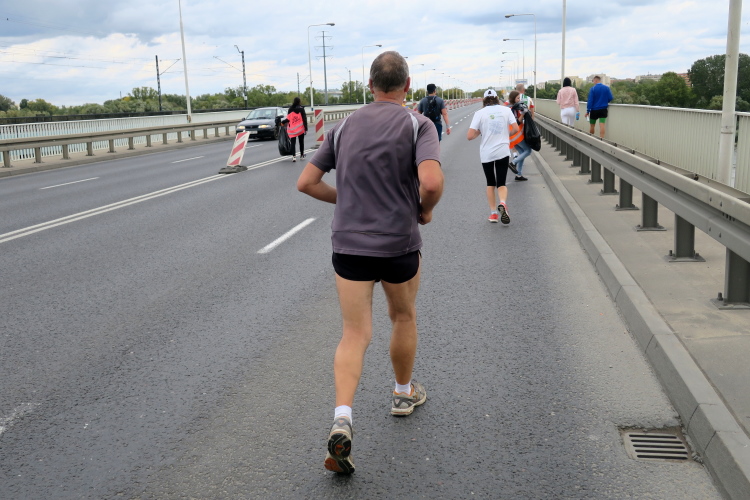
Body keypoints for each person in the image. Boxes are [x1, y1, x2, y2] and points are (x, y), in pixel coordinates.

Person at [296, 50, 444, 475]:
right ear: (408, 86)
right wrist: (424, 210)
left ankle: (342, 417)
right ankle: (402, 393)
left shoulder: (342, 128)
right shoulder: (418, 124)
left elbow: (306, 182)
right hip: (399, 244)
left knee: (354, 333)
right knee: (403, 317)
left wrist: (347, 200)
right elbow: (431, 180)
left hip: (349, 246)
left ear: (369, 85)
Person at [467, 89, 520, 224]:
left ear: (484, 100)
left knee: (490, 183)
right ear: (497, 98)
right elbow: (515, 128)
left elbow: (470, 136)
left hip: (487, 153)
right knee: (501, 183)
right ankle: (502, 203)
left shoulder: (479, 113)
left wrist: (481, 131)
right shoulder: (506, 110)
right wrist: (505, 134)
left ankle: (493, 214)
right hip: (502, 150)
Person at [507, 90, 531, 181]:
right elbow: (516, 122)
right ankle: (513, 163)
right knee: (528, 150)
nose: (519, 99)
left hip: (513, 135)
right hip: (516, 135)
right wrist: (523, 113)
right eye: (517, 98)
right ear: (513, 99)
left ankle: (519, 175)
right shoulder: (513, 109)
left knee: (522, 152)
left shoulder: (512, 108)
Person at [287, 97, 308, 162]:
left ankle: (294, 156)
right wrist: (306, 128)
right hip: (300, 128)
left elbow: (288, 119)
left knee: (293, 143)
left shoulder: (290, 109)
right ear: (299, 101)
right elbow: (304, 119)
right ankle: (301, 155)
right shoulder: (301, 109)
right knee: (301, 142)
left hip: (292, 129)